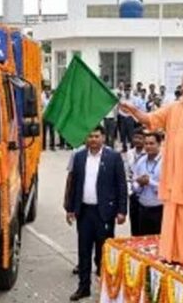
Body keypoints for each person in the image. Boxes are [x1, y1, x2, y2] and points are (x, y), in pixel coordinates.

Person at [120, 69, 183, 270]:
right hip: (175, 175)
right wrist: (132, 109)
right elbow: (149, 120)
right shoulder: (173, 108)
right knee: (174, 216)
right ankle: (174, 254)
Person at [64, 125, 127, 301]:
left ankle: (105, 288)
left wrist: (122, 210)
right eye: (90, 136)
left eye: (97, 136)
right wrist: (70, 208)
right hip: (84, 212)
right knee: (84, 251)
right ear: (86, 139)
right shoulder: (79, 157)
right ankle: (83, 287)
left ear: (103, 138)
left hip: (104, 213)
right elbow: (73, 184)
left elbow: (121, 185)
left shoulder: (113, 157)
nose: (93, 139)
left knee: (103, 252)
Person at [132, 132, 163, 235]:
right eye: (146, 144)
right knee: (143, 239)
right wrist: (139, 184)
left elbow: (168, 187)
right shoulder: (140, 161)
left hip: (160, 209)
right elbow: (134, 184)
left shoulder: (165, 162)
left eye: (151, 143)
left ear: (159, 144)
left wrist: (150, 182)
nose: (148, 146)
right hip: (143, 208)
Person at [125, 128, 146, 236]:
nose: (137, 140)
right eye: (135, 138)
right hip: (133, 192)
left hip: (145, 192)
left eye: (140, 138)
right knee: (134, 223)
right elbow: (127, 172)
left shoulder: (148, 153)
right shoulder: (129, 153)